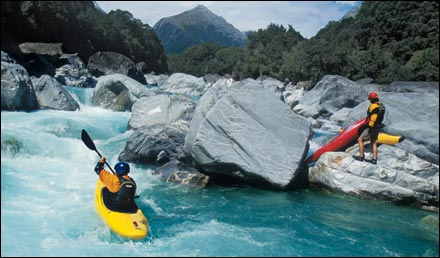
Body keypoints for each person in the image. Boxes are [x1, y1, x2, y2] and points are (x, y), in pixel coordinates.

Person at [353, 92, 385, 165]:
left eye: (370, 99)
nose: (369, 100)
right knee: (374, 142)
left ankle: (361, 157)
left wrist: (370, 126)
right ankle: (374, 159)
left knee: (360, 139)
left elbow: (374, 116)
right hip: (378, 126)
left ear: (371, 99)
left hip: (372, 126)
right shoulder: (381, 105)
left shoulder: (373, 106)